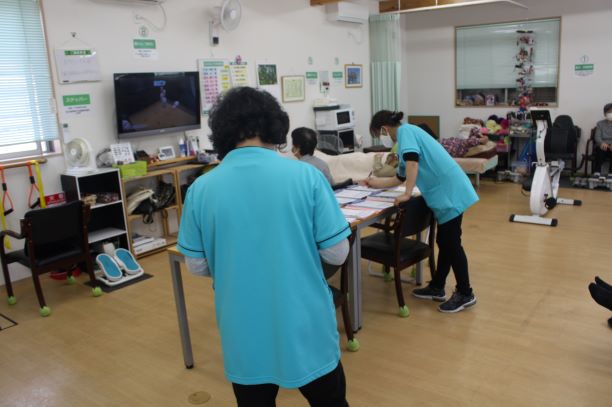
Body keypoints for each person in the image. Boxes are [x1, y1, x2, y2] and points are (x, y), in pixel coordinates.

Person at [177, 87, 351, 407]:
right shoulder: (306, 176)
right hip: (306, 322)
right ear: (274, 125)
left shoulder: (200, 188)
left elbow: (196, 265)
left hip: (242, 328)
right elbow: (337, 253)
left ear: (223, 132)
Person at [362, 110, 479, 313]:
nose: (381, 138)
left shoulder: (406, 131)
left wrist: (407, 194)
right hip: (445, 193)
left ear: (384, 128)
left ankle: (465, 292)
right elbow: (398, 178)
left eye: (378, 133)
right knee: (445, 241)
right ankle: (437, 286)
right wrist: (372, 183)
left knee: (452, 243)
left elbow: (413, 163)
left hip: (450, 192)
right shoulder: (405, 141)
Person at [593, 103, 612, 176]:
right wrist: (602, 143)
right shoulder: (600, 124)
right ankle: (597, 172)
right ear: (605, 114)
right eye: (609, 112)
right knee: (600, 150)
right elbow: (597, 136)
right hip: (603, 145)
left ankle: (611, 174)